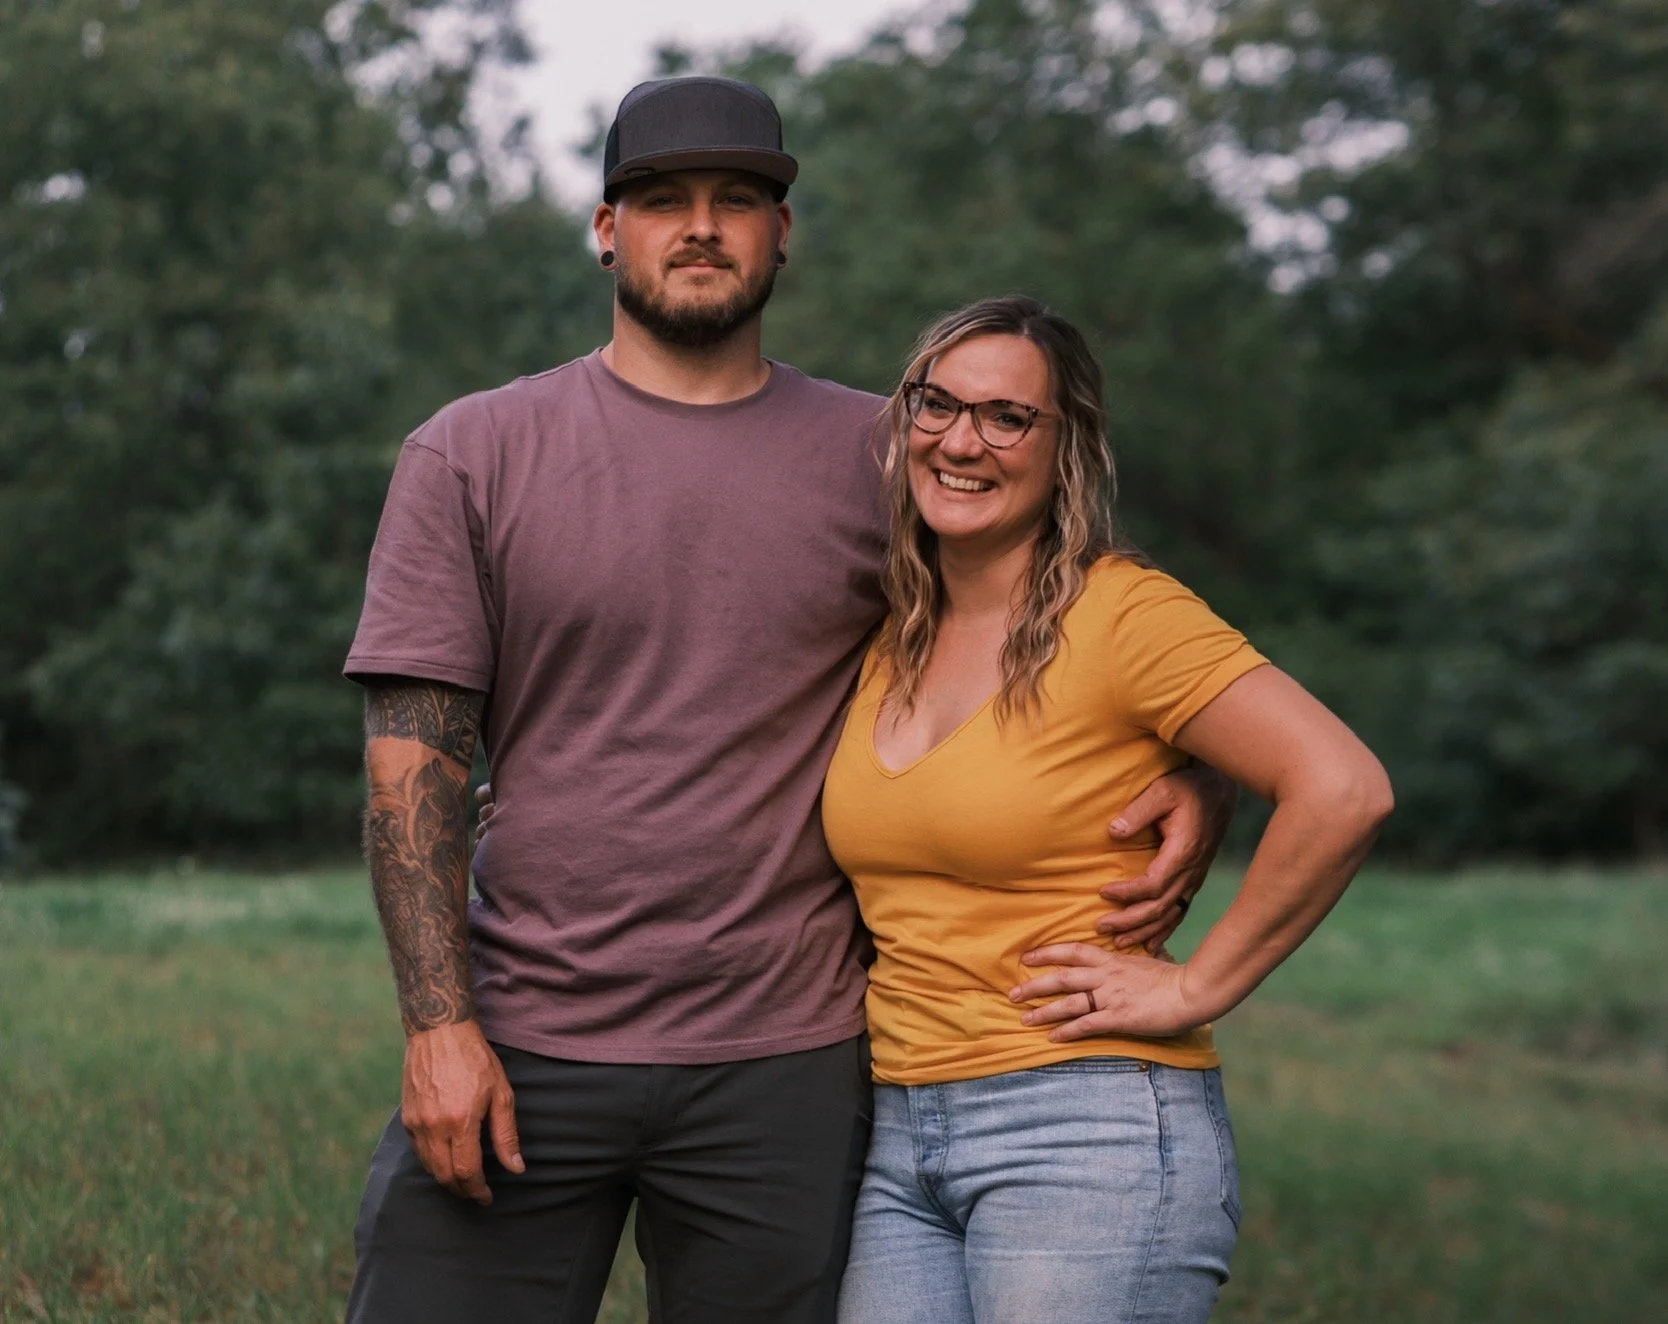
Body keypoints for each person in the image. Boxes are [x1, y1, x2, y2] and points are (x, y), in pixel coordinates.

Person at [342, 77, 1235, 1324]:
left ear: (782, 234)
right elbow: (412, 762)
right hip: (525, 1036)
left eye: (738, 200)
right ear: (608, 228)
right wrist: (440, 1025)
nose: (700, 225)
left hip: (789, 1060)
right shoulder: (473, 452)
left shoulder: (894, 457)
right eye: (662, 200)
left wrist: (1206, 771)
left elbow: (1079, 624)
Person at [821, 297, 1394, 1322]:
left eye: (1007, 417)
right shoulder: (892, 633)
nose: (962, 439)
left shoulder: (1122, 613)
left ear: (1066, 448)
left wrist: (1198, 986)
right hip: (901, 1136)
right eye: (937, 403)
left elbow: (1342, 787)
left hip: (1086, 1132)